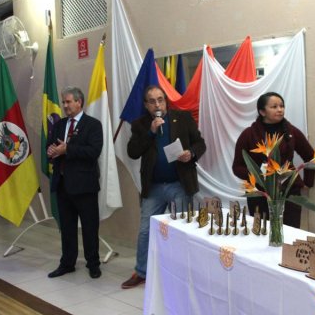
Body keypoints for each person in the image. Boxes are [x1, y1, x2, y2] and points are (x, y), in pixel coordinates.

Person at [122, 85, 206, 289]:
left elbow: (200, 143)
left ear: (166, 101)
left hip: (179, 184)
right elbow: (132, 152)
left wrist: (190, 153)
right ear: (146, 105)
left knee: (180, 230)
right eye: (152, 101)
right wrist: (151, 132)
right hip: (154, 187)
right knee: (145, 230)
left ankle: (181, 272)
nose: (157, 104)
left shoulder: (182, 118)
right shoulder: (140, 124)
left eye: (160, 99)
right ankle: (141, 272)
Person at [232, 92, 315, 228]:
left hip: (288, 192)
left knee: (288, 232)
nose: (280, 110)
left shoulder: (291, 132)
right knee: (262, 232)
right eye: (274, 107)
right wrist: (259, 176)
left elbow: (310, 156)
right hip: (259, 193)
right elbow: (237, 167)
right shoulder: (248, 134)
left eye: (282, 106)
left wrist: (308, 182)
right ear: (262, 112)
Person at [47, 86, 103, 279]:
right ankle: (67, 263)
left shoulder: (93, 125)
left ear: (79, 102)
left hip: (85, 186)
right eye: (63, 102)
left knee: (89, 228)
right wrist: (51, 151)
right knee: (67, 229)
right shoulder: (59, 125)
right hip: (63, 185)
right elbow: (50, 145)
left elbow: (93, 151)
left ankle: (93, 264)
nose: (65, 105)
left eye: (68, 102)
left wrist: (67, 150)